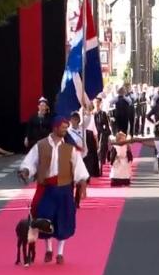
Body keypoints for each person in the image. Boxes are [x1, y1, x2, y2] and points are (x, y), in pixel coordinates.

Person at [19, 116, 90, 265]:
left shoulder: (69, 148)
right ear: (55, 128)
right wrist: (26, 170)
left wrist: (82, 181)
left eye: (66, 127)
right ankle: (49, 249)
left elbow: (78, 167)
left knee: (63, 220)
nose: (65, 130)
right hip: (47, 188)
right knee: (45, 219)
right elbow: (31, 162)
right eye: (63, 127)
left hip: (64, 189)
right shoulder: (41, 145)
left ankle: (60, 253)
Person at [94, 98, 111, 174]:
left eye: (98, 102)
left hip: (101, 134)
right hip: (93, 134)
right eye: (95, 102)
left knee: (101, 150)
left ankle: (100, 168)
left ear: (100, 103)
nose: (97, 104)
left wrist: (106, 133)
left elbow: (107, 125)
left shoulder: (103, 113)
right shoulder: (92, 114)